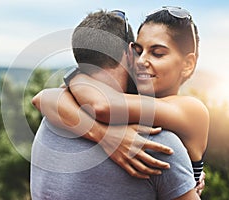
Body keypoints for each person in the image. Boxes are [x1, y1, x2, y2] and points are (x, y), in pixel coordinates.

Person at [31, 8, 204, 199]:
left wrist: (76, 76)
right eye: (138, 51)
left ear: (188, 64)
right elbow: (44, 98)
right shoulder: (134, 114)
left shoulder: (190, 110)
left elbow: (101, 105)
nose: (141, 61)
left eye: (157, 53)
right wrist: (104, 134)